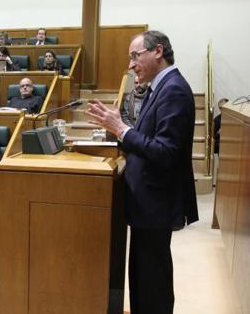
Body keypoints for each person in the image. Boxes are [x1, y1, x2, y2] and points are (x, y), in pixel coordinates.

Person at [86, 30, 198, 314]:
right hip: (146, 204)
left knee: (153, 285)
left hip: (156, 205)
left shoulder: (173, 89)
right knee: (142, 281)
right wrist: (118, 130)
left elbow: (166, 152)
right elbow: (146, 138)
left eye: (135, 56)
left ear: (157, 51)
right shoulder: (159, 87)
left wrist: (122, 129)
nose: (131, 64)